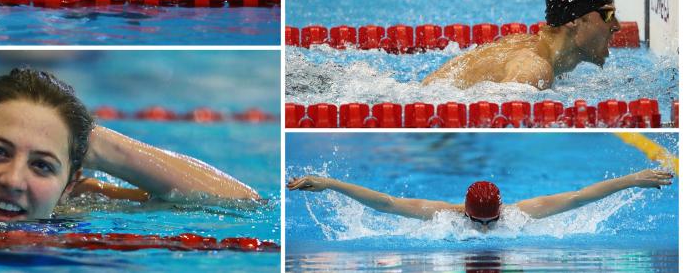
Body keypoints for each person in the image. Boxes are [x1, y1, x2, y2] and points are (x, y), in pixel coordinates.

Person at [0, 68, 259, 223]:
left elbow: (244, 203)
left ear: (70, 183)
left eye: (42, 164)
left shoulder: (77, 204)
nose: (12, 181)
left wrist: (92, 144)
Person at [422, 0, 621, 90]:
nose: (617, 26)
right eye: (607, 15)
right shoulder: (534, 70)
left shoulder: (533, 46)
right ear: (573, 21)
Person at [287, 169, 673, 229]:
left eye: (492, 223)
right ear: (466, 214)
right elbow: (386, 203)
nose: (486, 231)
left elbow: (579, 197)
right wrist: (330, 183)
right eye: (479, 224)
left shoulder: (520, 214)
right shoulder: (444, 216)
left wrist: (633, 179)